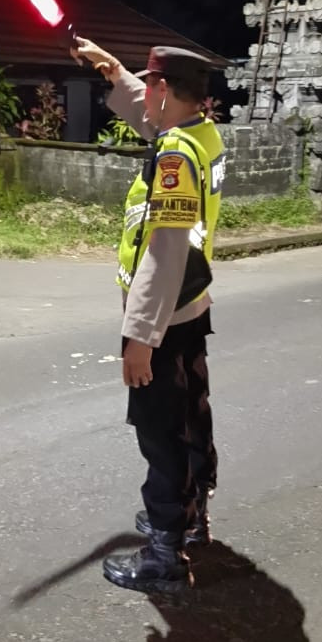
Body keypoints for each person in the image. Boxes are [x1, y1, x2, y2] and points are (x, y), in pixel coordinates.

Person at [72, 38, 226, 595]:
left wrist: (139, 337)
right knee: (191, 417)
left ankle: (165, 551)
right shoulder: (200, 137)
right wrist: (112, 70)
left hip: (163, 316)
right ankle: (193, 515)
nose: (147, 95)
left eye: (149, 84)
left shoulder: (174, 158)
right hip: (190, 307)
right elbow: (153, 119)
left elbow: (164, 250)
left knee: (161, 435)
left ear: (164, 90)